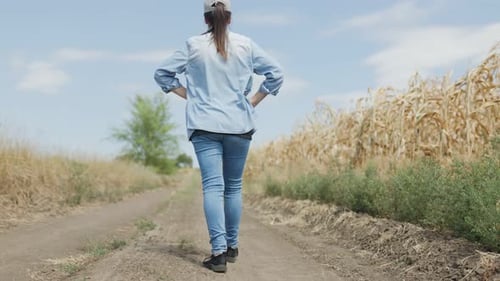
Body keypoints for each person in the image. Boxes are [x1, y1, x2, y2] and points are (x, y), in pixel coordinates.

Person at [154, 0, 284, 273]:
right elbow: (276, 74)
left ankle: (218, 253)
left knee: (213, 187)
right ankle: (233, 247)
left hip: (205, 125)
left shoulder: (192, 45)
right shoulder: (246, 45)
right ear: (230, 18)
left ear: (205, 19)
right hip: (239, 125)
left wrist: (191, 97)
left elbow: (162, 74)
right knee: (233, 186)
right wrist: (254, 101)